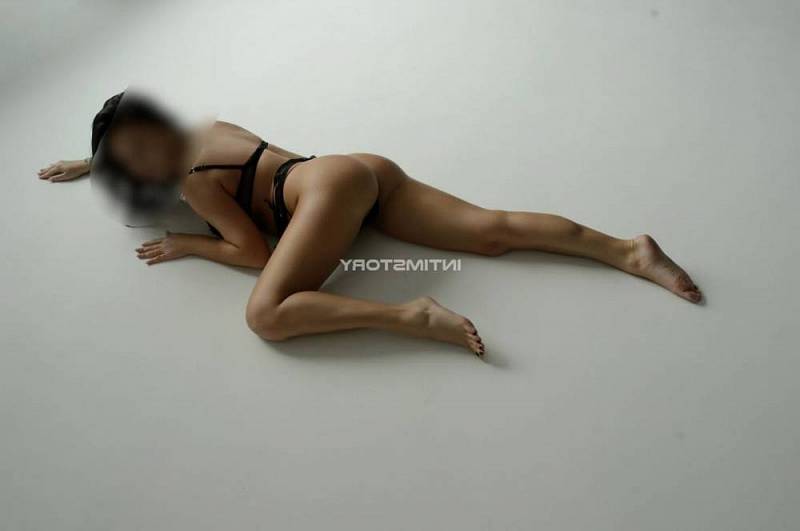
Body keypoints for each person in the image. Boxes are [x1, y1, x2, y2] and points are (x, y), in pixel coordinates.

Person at [38, 92, 702, 357]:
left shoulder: (191, 181)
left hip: (325, 196)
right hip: (355, 172)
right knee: (491, 229)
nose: (136, 167)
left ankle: (411, 316)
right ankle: (628, 250)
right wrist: (87, 163)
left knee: (265, 315)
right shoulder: (205, 126)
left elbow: (251, 250)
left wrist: (188, 242)